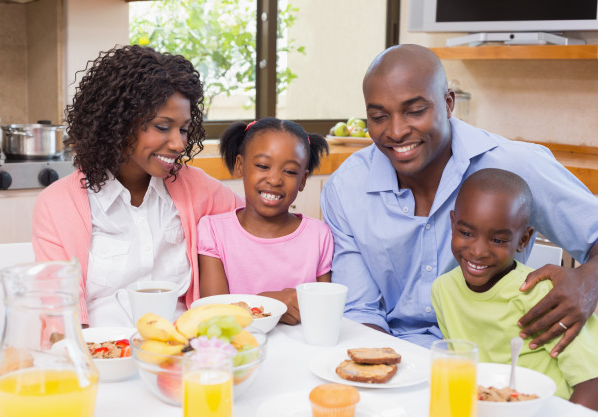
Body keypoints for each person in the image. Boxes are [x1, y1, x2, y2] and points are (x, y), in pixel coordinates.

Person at [320, 44, 598, 352]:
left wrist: (588, 281)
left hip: (496, 361)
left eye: (415, 111)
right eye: (379, 116)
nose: (396, 131)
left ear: (448, 103)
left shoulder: (515, 165)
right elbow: (360, 311)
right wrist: (387, 369)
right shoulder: (346, 188)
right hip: (392, 354)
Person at [32, 45, 243, 328]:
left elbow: (255, 234)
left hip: (183, 352)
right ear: (118, 122)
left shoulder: (202, 190)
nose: (179, 144)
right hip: (104, 356)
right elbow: (56, 314)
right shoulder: (57, 205)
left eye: (183, 128)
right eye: (162, 126)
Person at [431, 168, 598, 408]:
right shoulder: (443, 290)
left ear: (523, 239)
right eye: (466, 233)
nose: (478, 251)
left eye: (498, 240)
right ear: (452, 223)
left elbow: (592, 385)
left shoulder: (543, 296)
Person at [197, 118, 333, 325]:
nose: (275, 180)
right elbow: (214, 312)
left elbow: (327, 310)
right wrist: (271, 302)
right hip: (238, 350)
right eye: (262, 166)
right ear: (240, 166)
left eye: (289, 171)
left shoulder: (319, 235)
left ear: (303, 180)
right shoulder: (213, 231)